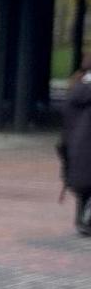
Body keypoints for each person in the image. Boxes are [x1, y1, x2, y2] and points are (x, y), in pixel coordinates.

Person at [60, 56, 91, 237]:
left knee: (84, 189)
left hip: (76, 147)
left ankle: (82, 221)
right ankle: (85, 221)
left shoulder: (76, 87)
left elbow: (67, 120)